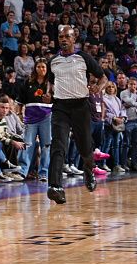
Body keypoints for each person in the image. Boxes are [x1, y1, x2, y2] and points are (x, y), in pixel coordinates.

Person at [46, 25, 108, 204]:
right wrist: (49, 92)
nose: (63, 39)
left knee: (85, 146)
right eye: (60, 37)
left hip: (81, 106)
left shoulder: (84, 58)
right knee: (58, 145)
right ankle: (55, 186)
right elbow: (51, 82)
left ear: (74, 39)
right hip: (60, 107)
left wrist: (98, 88)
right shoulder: (54, 61)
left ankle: (89, 170)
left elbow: (103, 78)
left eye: (67, 37)